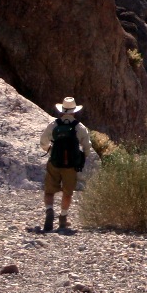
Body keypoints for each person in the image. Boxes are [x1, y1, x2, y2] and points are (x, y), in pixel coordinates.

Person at [40, 97, 91, 231]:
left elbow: (43, 142)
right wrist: (79, 158)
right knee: (67, 193)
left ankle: (49, 211)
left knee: (49, 190)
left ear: (61, 111)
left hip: (55, 162)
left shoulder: (54, 125)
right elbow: (87, 148)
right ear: (74, 111)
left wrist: (50, 151)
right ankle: (63, 218)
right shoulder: (80, 127)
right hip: (70, 166)